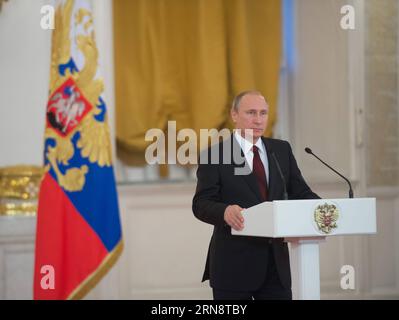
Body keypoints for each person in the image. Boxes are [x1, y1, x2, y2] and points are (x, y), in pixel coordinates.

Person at [192, 90, 320, 300]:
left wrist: (325, 208)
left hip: (275, 267)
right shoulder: (215, 155)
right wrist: (224, 211)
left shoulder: (281, 150)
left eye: (263, 113)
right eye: (251, 112)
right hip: (233, 266)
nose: (258, 120)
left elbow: (301, 193)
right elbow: (201, 203)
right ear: (234, 115)